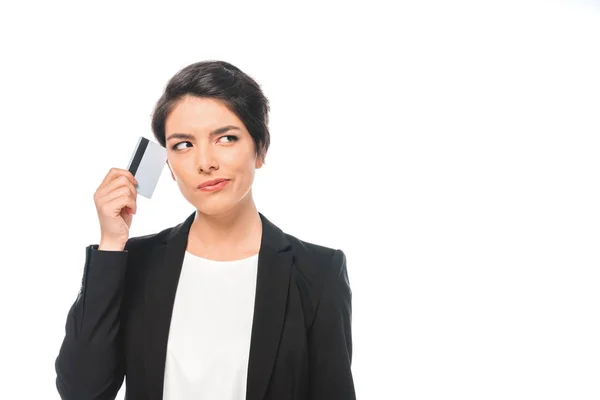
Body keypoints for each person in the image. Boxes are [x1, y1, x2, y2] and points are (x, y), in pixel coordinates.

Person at [54, 60, 355, 400]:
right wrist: (110, 244)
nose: (205, 162)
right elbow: (82, 391)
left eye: (226, 138)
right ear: (167, 164)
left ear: (260, 149)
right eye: (183, 145)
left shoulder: (318, 272)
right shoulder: (135, 262)